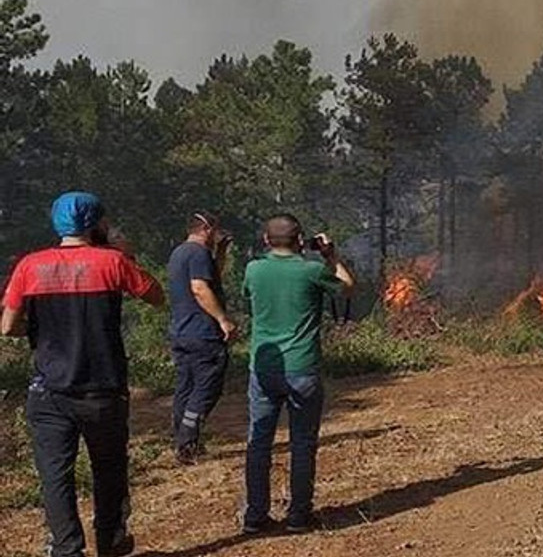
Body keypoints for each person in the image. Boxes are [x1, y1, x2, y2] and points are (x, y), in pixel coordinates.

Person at [1, 192, 165, 557]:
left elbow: (7, 325)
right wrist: (124, 254)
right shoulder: (113, 261)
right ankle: (110, 539)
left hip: (49, 391)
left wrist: (38, 330)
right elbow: (156, 296)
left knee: (55, 475)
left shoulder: (30, 265)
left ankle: (66, 548)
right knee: (109, 468)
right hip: (103, 390)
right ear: (94, 223)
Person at [241, 214, 354, 534]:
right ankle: (298, 516)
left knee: (258, 442)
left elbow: (249, 300)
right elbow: (347, 288)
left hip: (263, 369)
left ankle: (255, 516)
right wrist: (331, 256)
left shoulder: (254, 269)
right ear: (301, 241)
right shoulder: (313, 270)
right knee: (302, 443)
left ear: (266, 240)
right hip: (302, 368)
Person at [168, 211, 237, 464]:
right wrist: (222, 319)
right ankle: (187, 443)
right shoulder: (197, 253)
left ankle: (180, 438)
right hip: (202, 333)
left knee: (185, 386)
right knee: (207, 387)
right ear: (206, 228)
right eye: (215, 230)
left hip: (181, 332)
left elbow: (211, 276)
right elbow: (200, 287)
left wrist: (220, 253)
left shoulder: (180, 253)